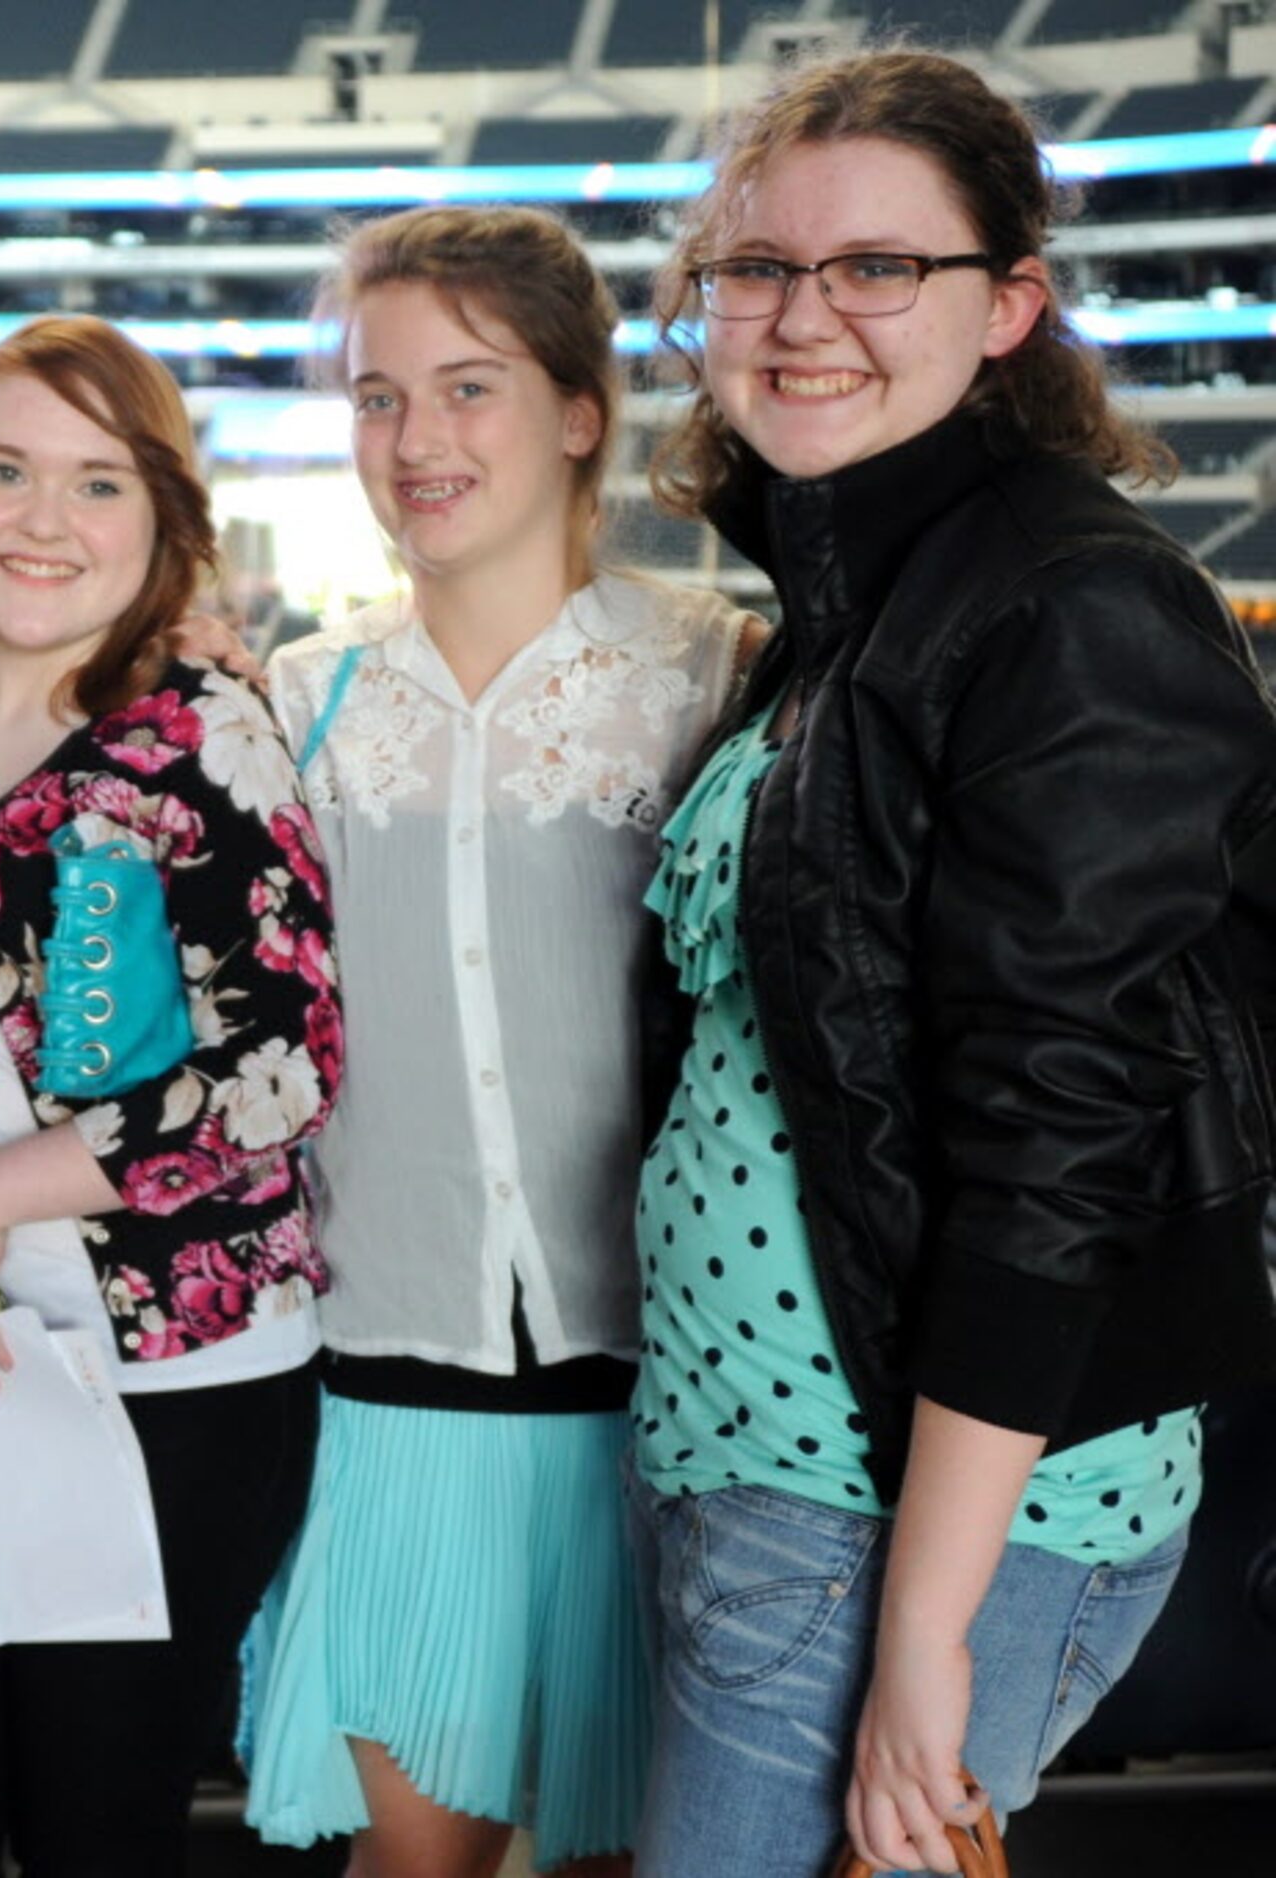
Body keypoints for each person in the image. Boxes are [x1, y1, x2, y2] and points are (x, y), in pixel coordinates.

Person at [626, 50, 1276, 1878]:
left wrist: (924, 1621)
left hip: (912, 1512)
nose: (799, 315)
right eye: (754, 266)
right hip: (762, 1467)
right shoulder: (846, 605)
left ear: (1006, 308)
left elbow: (1055, 1135)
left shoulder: (1067, 600)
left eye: (874, 269)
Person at [234, 208, 757, 1878]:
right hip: (385, 1386)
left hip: (659, 1399)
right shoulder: (291, 699)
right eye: (377, 398)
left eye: (467, 388)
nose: (415, 441)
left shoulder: (709, 675)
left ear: (578, 410)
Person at [0, 315, 344, 1876]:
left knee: (88, 1835)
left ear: (164, 520)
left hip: (161, 1376)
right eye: (7, 469)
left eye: (99, 483)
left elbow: (286, 1061)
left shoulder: (199, 732)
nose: (45, 520)